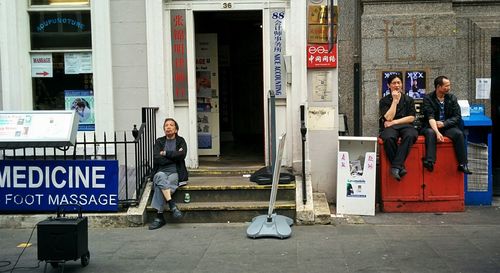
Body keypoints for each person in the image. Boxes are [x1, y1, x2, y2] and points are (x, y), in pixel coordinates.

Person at [421, 76, 472, 174]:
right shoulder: (428, 98)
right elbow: (430, 116)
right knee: (430, 133)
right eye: (446, 86)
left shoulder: (452, 98)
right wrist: (437, 131)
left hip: (446, 126)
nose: (449, 87)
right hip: (431, 126)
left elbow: (457, 117)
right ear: (438, 87)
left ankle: (462, 164)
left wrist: (444, 124)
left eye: (449, 85)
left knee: (458, 134)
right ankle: (430, 161)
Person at [149, 118, 189, 230]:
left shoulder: (181, 140)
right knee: (160, 177)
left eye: (171, 125)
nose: (168, 127)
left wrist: (165, 153)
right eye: (166, 125)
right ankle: (172, 205)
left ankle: (159, 216)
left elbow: (182, 155)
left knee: (160, 186)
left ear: (176, 129)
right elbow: (157, 158)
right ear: (164, 128)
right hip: (161, 170)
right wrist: (174, 156)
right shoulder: (159, 141)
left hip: (175, 172)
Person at [379, 74, 418, 181]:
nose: (397, 85)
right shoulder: (384, 101)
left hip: (405, 125)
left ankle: (396, 166)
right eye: (394, 83)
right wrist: (395, 101)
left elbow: (411, 118)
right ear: (389, 85)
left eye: (399, 83)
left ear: (402, 84)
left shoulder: (409, 99)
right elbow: (388, 117)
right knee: (388, 138)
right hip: (390, 128)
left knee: (411, 135)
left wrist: (394, 121)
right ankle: (400, 167)